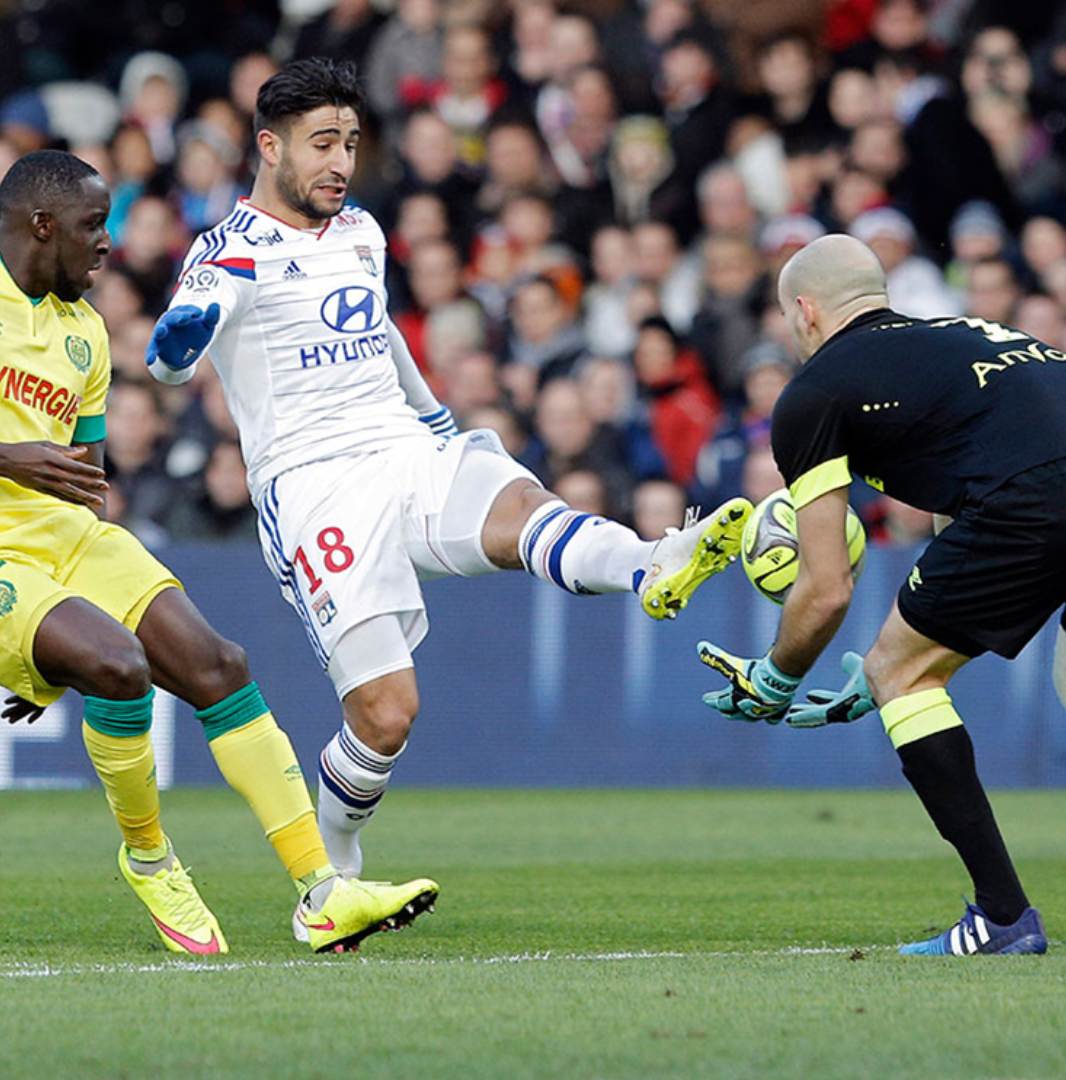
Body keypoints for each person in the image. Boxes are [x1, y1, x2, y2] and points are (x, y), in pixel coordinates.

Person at [145, 60, 752, 923]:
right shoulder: (226, 252)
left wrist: (433, 420)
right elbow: (169, 365)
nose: (340, 163)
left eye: (350, 143)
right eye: (322, 144)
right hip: (314, 487)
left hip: (401, 443)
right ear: (269, 145)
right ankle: (335, 876)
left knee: (519, 512)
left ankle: (656, 564)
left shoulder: (359, 230)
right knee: (387, 714)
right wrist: (179, 339)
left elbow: (379, 330)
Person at [0, 149, 431, 957]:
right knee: (119, 666)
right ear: (41, 225)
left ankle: (323, 892)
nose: (106, 242)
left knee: (219, 664)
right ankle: (150, 858)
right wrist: (6, 460)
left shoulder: (83, 335)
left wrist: (53, 644)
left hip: (66, 541)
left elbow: (84, 482)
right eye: (92, 224)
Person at [696, 234, 1066, 956]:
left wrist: (779, 677)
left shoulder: (813, 392)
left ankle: (1002, 917)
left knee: (900, 674)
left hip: (1049, 492)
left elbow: (825, 588)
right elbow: (962, 527)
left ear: (805, 313)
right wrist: (894, 658)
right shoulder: (963, 335)